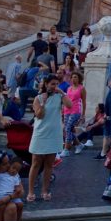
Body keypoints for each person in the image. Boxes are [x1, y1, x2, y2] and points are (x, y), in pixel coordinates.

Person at [27, 74, 72, 202]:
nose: (55, 86)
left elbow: (69, 105)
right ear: (46, 84)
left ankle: (45, 191)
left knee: (49, 164)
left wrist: (62, 92)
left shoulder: (59, 96)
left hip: (54, 134)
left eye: (56, 84)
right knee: (35, 163)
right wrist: (44, 102)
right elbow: (39, 115)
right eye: (52, 84)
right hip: (41, 133)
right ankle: (30, 191)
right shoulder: (38, 98)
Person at [0, 154, 25, 221]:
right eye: (13, 168)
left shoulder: (16, 176)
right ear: (9, 165)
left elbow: (18, 187)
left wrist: (18, 189)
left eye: (17, 170)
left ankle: (18, 220)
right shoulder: (0, 174)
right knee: (1, 205)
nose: (14, 171)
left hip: (12, 195)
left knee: (20, 204)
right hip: (1, 194)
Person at [60, 71, 86, 158]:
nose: (73, 79)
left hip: (76, 111)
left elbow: (84, 102)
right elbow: (65, 100)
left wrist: (83, 115)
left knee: (67, 129)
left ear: (79, 79)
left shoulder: (81, 88)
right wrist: (63, 112)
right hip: (67, 110)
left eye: (75, 77)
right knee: (70, 129)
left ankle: (66, 149)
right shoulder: (69, 88)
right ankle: (79, 145)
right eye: (72, 77)